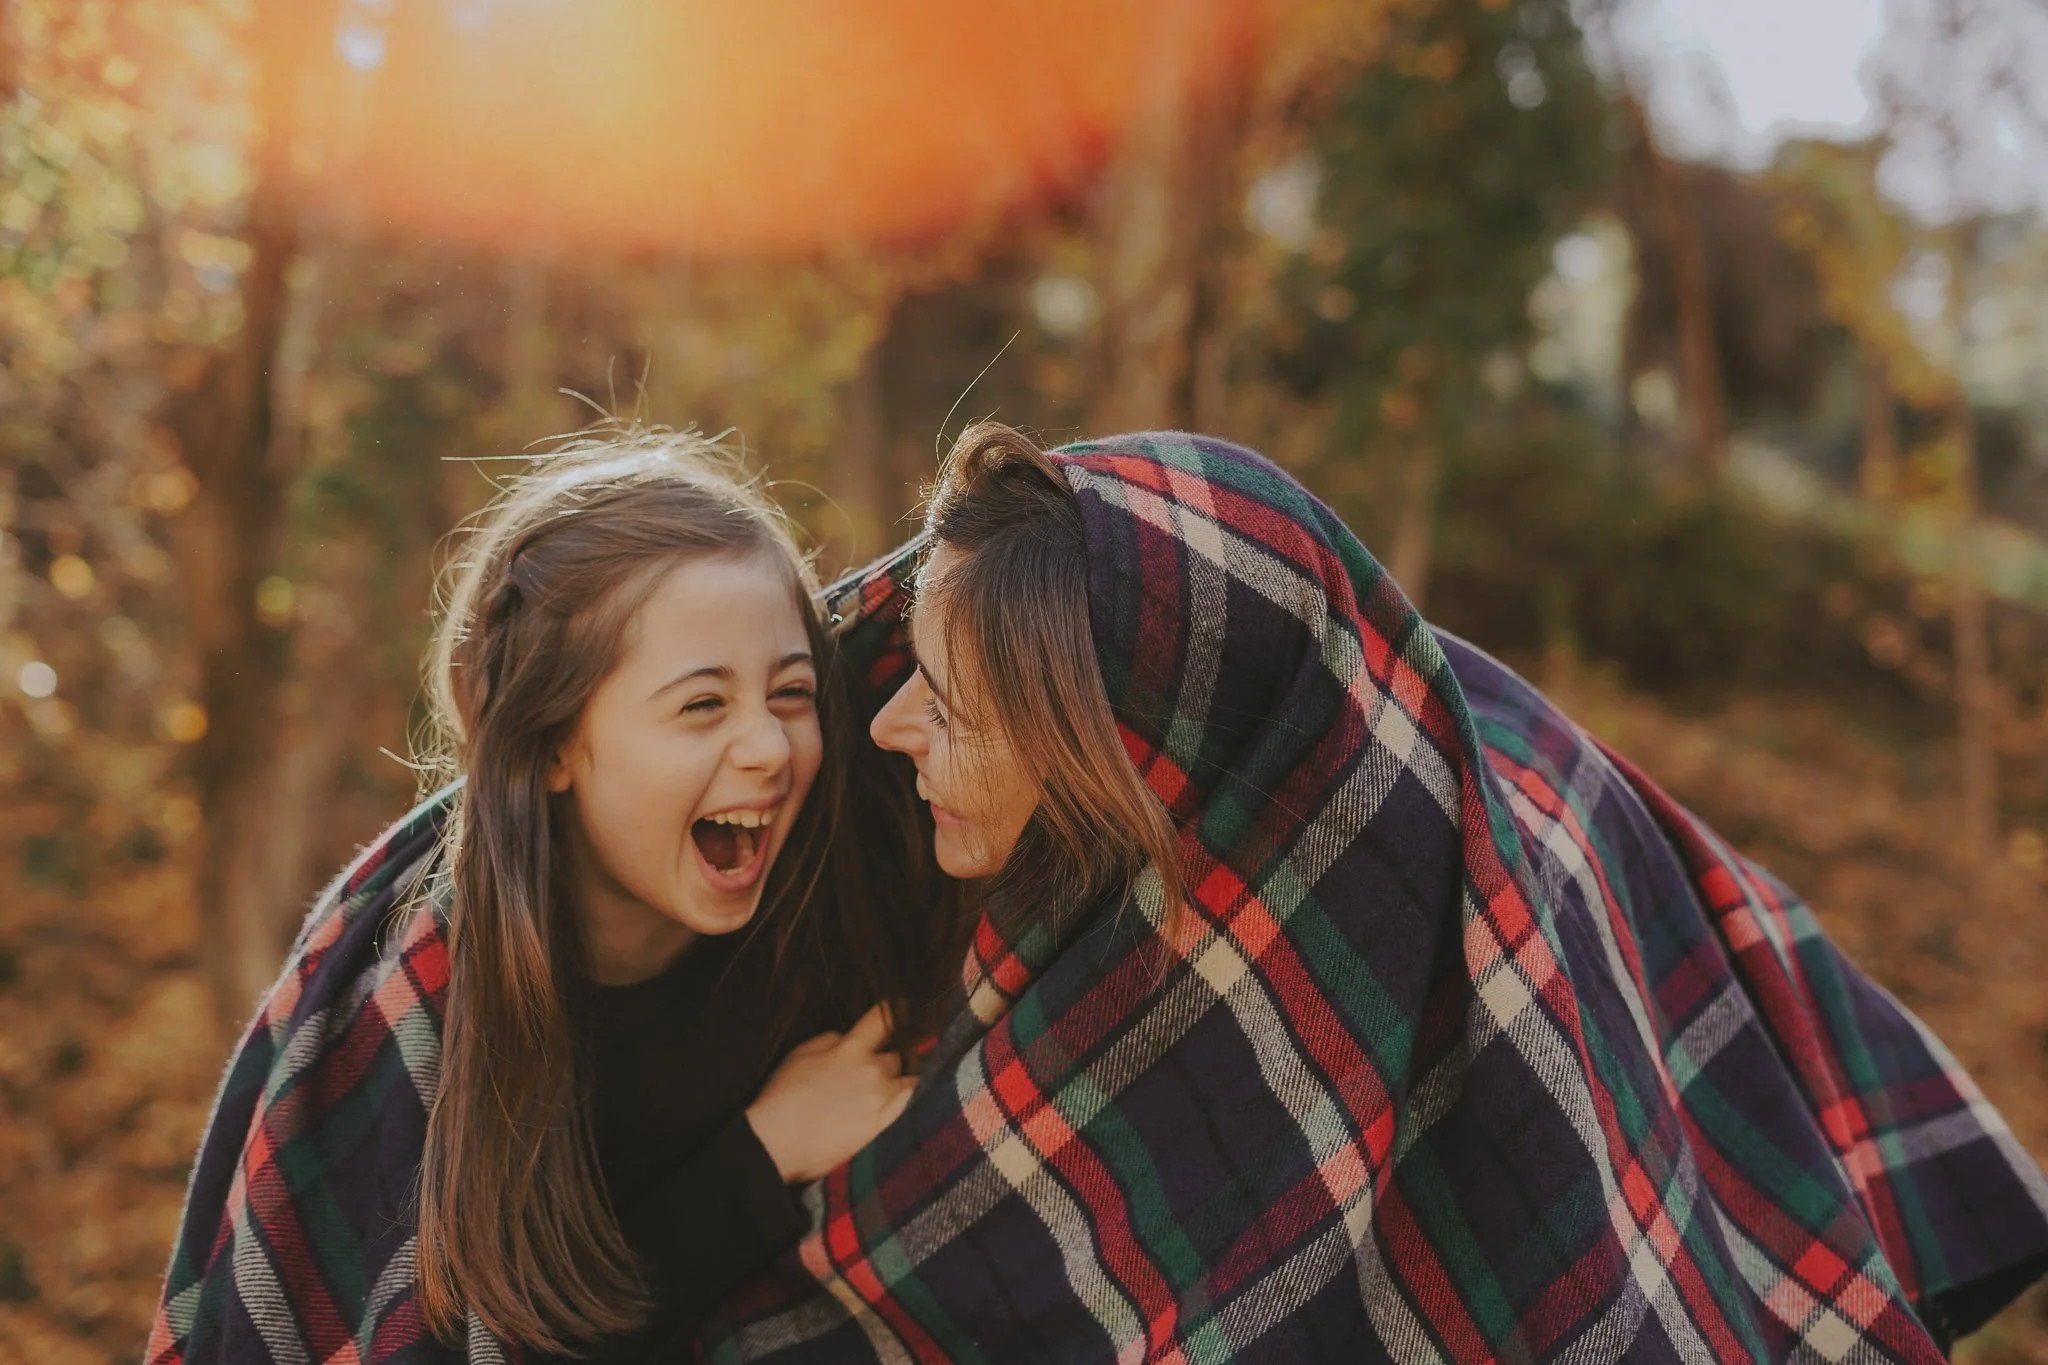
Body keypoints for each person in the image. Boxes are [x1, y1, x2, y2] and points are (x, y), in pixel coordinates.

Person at [708, 425, 2048, 1362]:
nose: (885, 724)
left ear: (1129, 749)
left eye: (954, 707)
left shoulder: (1470, 875)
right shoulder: (1069, 880)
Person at [146, 426, 957, 1365]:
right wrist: (765, 1152)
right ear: (553, 746)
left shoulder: (858, 865)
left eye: (791, 692)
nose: (770, 748)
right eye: (702, 704)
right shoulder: (422, 1023)